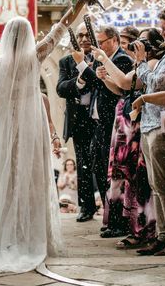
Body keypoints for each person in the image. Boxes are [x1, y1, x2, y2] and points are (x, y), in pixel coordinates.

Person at [0, 0, 86, 274]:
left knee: (5, 180)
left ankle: (5, 237)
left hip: (4, 129)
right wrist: (80, 0)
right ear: (27, 37)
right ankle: (31, 236)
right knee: (32, 178)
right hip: (30, 130)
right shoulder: (34, 56)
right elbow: (61, 27)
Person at [94, 7, 165, 255]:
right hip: (149, 123)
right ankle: (161, 235)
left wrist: (139, 62)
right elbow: (145, 81)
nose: (163, 32)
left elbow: (156, 82)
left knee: (163, 184)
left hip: (161, 123)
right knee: (155, 184)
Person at [107, 28, 163, 250]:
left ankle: (147, 231)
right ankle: (137, 229)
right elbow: (124, 90)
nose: (137, 45)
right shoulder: (141, 64)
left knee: (141, 181)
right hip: (132, 126)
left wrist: (102, 58)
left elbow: (123, 82)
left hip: (141, 128)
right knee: (133, 181)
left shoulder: (149, 64)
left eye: (142, 42)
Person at [76, 25, 134, 238]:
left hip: (114, 124)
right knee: (99, 170)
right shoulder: (101, 59)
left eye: (102, 42)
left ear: (114, 40)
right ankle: (110, 217)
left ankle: (118, 222)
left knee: (114, 176)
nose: (98, 46)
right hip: (100, 125)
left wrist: (101, 74)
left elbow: (121, 89)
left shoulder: (122, 60)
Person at [56, 23, 97, 222]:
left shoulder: (101, 58)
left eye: (87, 35)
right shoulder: (66, 61)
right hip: (79, 119)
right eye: (79, 36)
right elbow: (61, 88)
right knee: (83, 165)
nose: (83, 39)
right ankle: (86, 208)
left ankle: (108, 207)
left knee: (102, 164)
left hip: (100, 119)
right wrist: (79, 82)